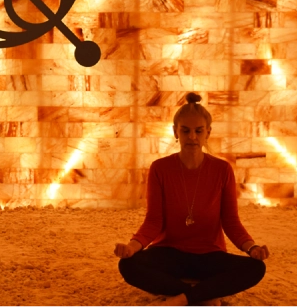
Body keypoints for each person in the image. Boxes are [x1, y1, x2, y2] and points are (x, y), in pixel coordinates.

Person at [114, 92, 269, 307]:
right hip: (169, 253)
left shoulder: (222, 169)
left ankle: (181, 298)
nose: (192, 137)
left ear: (208, 132)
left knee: (256, 268)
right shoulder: (160, 168)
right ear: (175, 132)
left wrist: (252, 248)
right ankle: (203, 295)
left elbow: (231, 222)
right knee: (128, 265)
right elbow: (153, 221)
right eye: (185, 131)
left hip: (209, 255)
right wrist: (132, 247)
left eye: (198, 131)